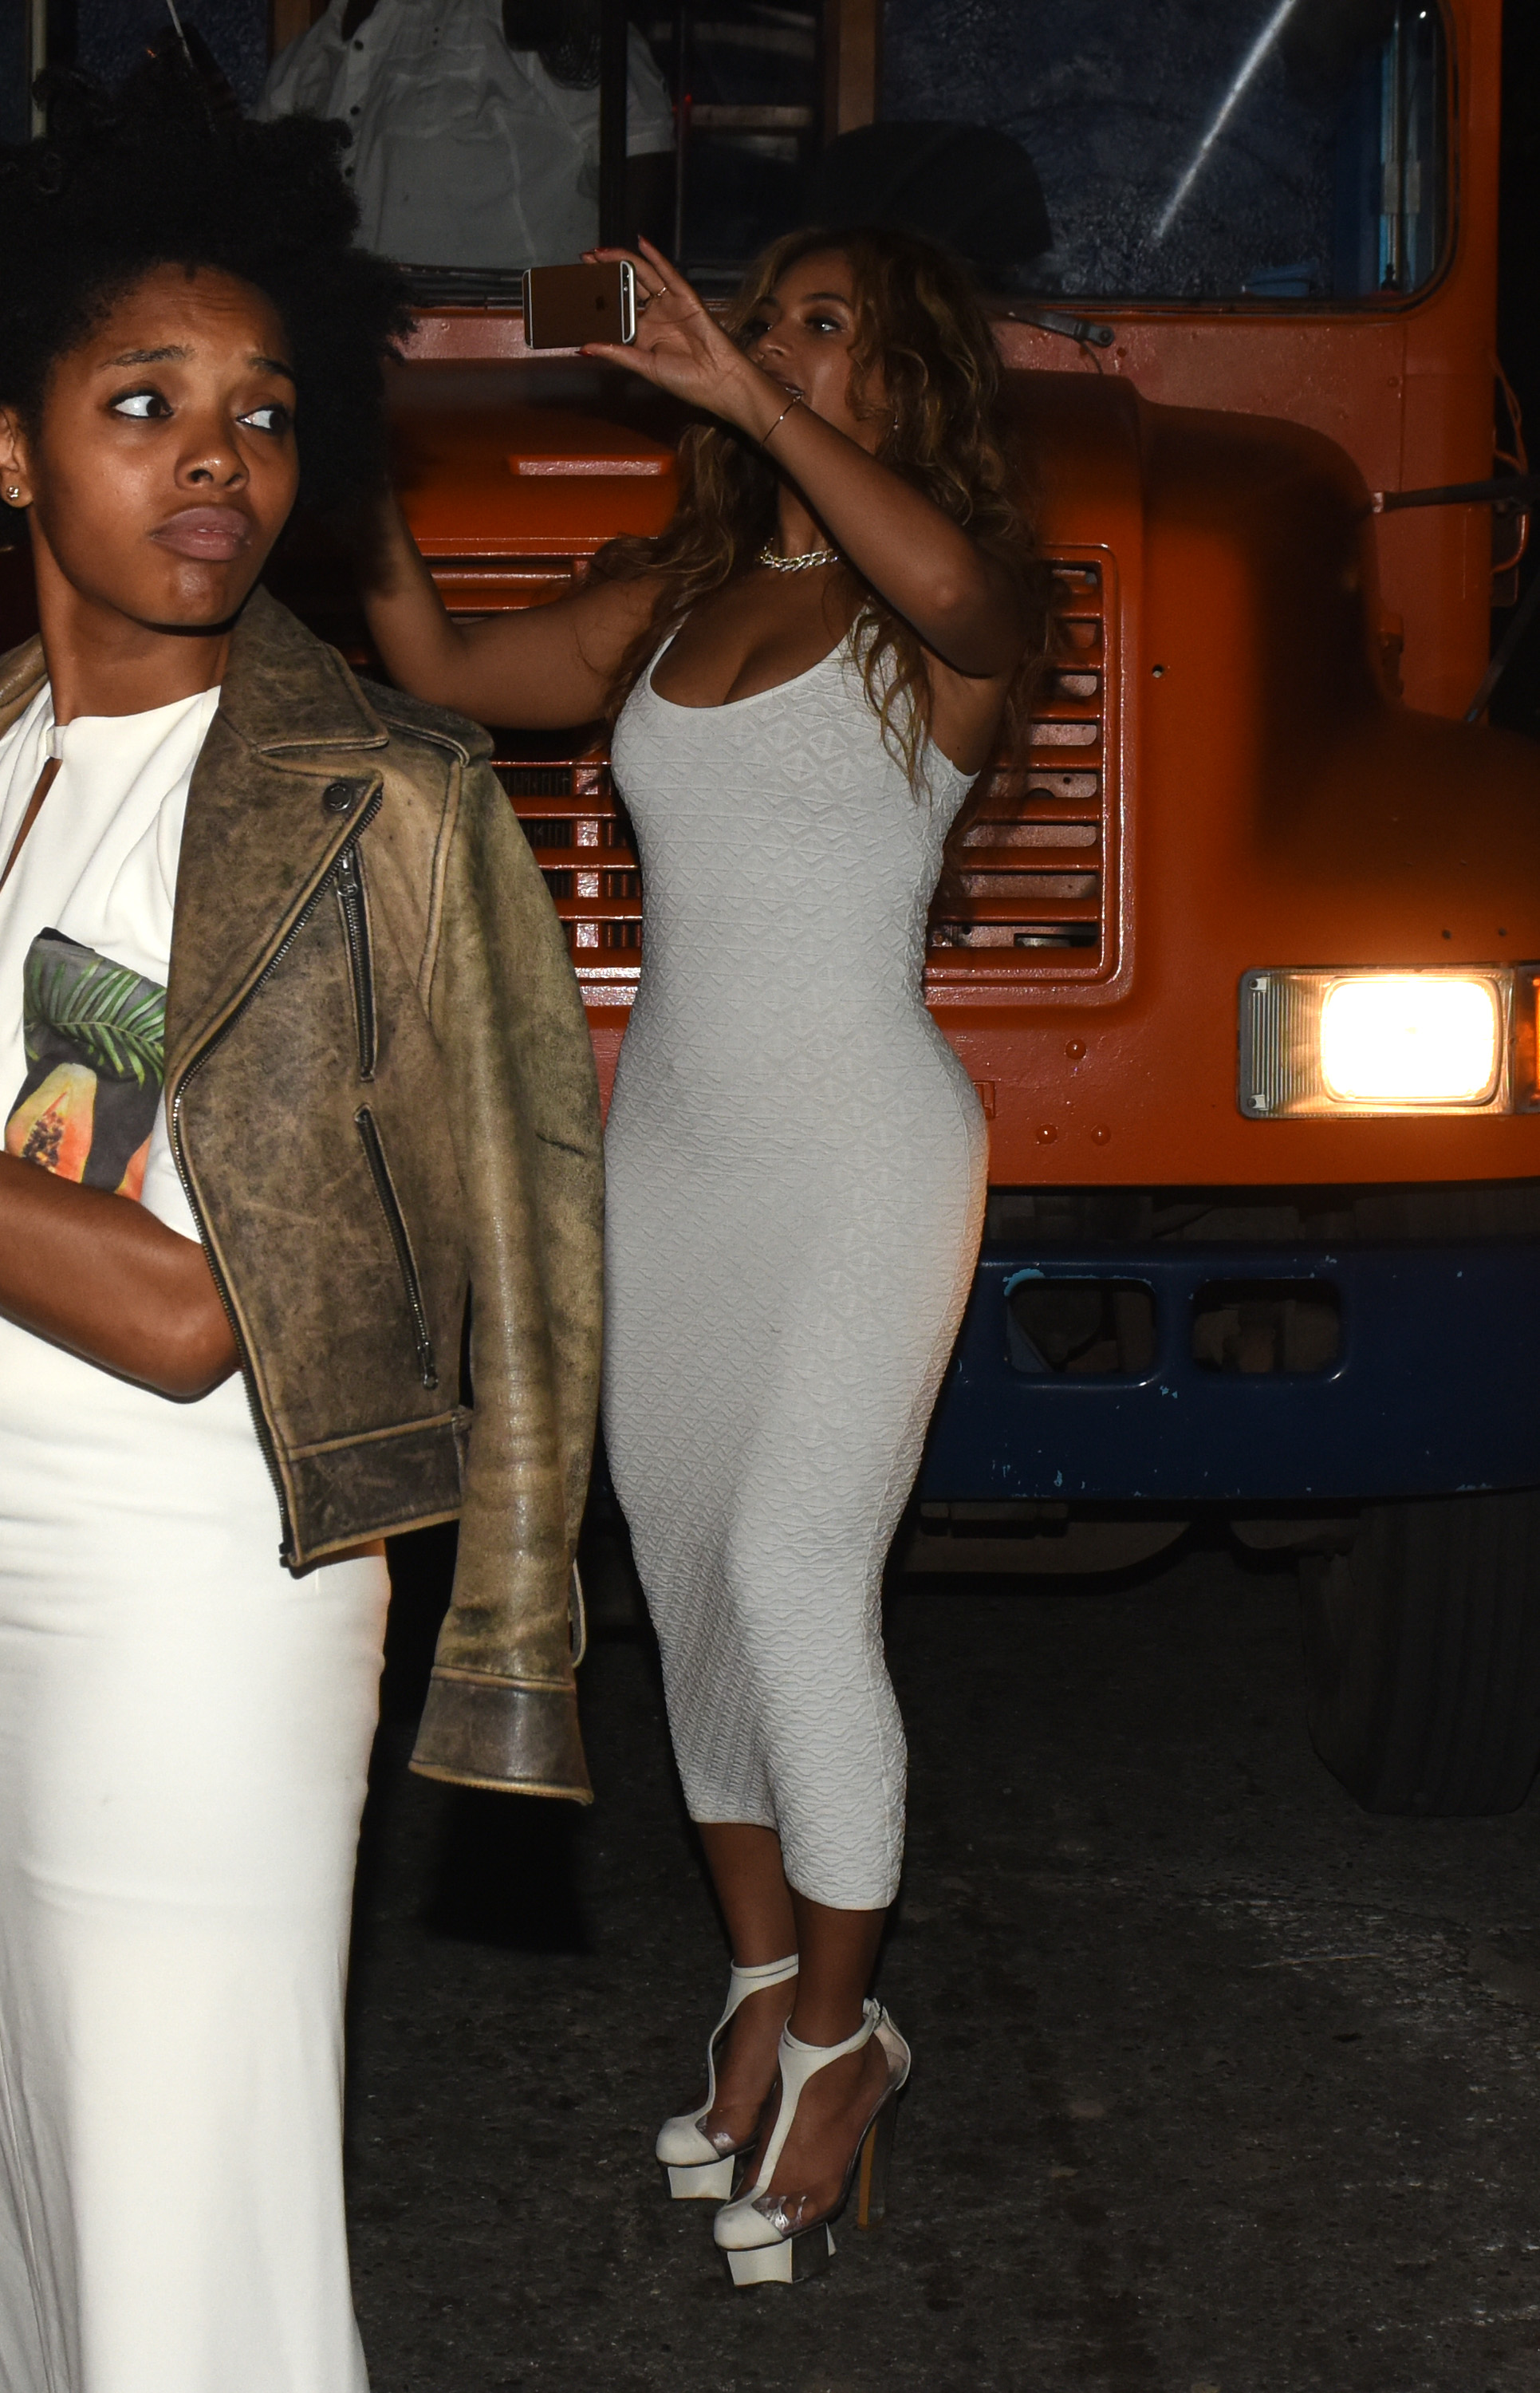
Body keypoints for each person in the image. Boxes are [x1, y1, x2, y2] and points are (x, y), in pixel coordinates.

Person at [356, 220, 1050, 2283]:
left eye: (820, 326)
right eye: (763, 323)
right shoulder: (676, 594)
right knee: (678, 1579)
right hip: (664, 1155)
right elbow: (441, 675)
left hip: (861, 1155)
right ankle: (758, 1987)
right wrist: (344, 456)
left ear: (906, 377)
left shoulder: (944, 606)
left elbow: (962, 594)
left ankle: (845, 2036)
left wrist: (744, 393)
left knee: (788, 1565)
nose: (768, 347)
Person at [0, 59, 602, 2391]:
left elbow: (191, 1311)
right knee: (50, 2241)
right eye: (143, 400)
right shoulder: (13, 757)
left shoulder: (366, 796)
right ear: (15, 451)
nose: (216, 458)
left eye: (261, 411)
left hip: (190, 1591)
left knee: (177, 2268)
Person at [258, 0, 675, 270]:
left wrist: (611, 324)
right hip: (355, 361)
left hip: (523, 359)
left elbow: (643, 152)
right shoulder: (303, 61)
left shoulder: (523, 14)